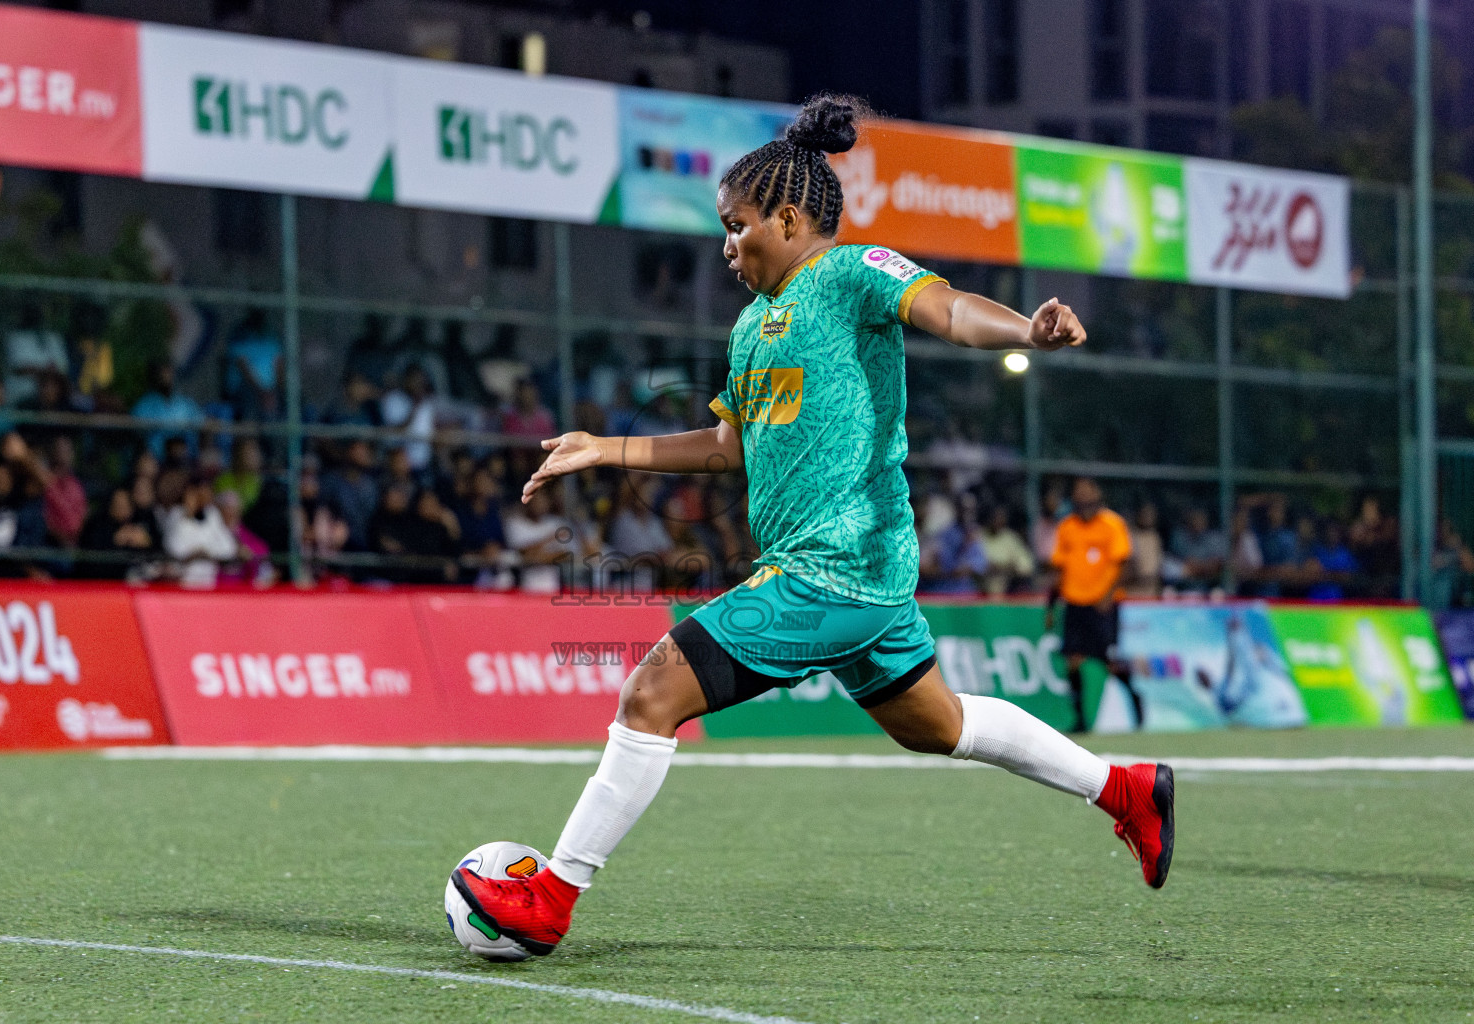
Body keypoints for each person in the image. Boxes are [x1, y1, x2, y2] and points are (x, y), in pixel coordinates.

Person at [451, 95, 1174, 959]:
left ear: (789, 218)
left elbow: (946, 309)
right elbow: (729, 447)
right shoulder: (754, 324)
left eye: (737, 225)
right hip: (846, 575)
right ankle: (1124, 790)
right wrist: (606, 447)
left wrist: (1026, 329)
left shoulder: (852, 272)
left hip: (837, 569)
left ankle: (553, 897)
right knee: (936, 725)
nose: (727, 245)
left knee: (652, 692)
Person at [1045, 477, 1144, 733]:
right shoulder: (1067, 527)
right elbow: (1059, 570)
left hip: (1103, 606)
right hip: (1075, 603)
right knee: (1073, 662)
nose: (1085, 499)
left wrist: (1108, 596)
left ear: (1099, 497)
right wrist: (1051, 606)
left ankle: (1136, 700)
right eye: (1080, 495)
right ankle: (1080, 720)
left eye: (1089, 494)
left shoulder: (1112, 524)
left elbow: (1124, 563)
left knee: (1109, 662)